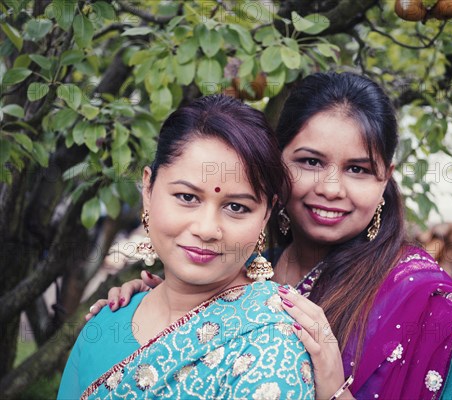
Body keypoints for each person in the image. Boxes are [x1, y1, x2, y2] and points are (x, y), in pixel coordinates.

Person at [88, 72, 452, 399]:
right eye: (309, 161)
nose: (330, 188)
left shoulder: (427, 310)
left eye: (358, 169)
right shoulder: (249, 272)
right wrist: (161, 306)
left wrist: (335, 390)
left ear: (386, 180)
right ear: (276, 164)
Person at [58, 95, 315, 399]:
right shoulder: (106, 323)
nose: (206, 229)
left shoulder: (271, 344)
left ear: (266, 214)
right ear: (148, 189)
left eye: (236, 206)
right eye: (187, 197)